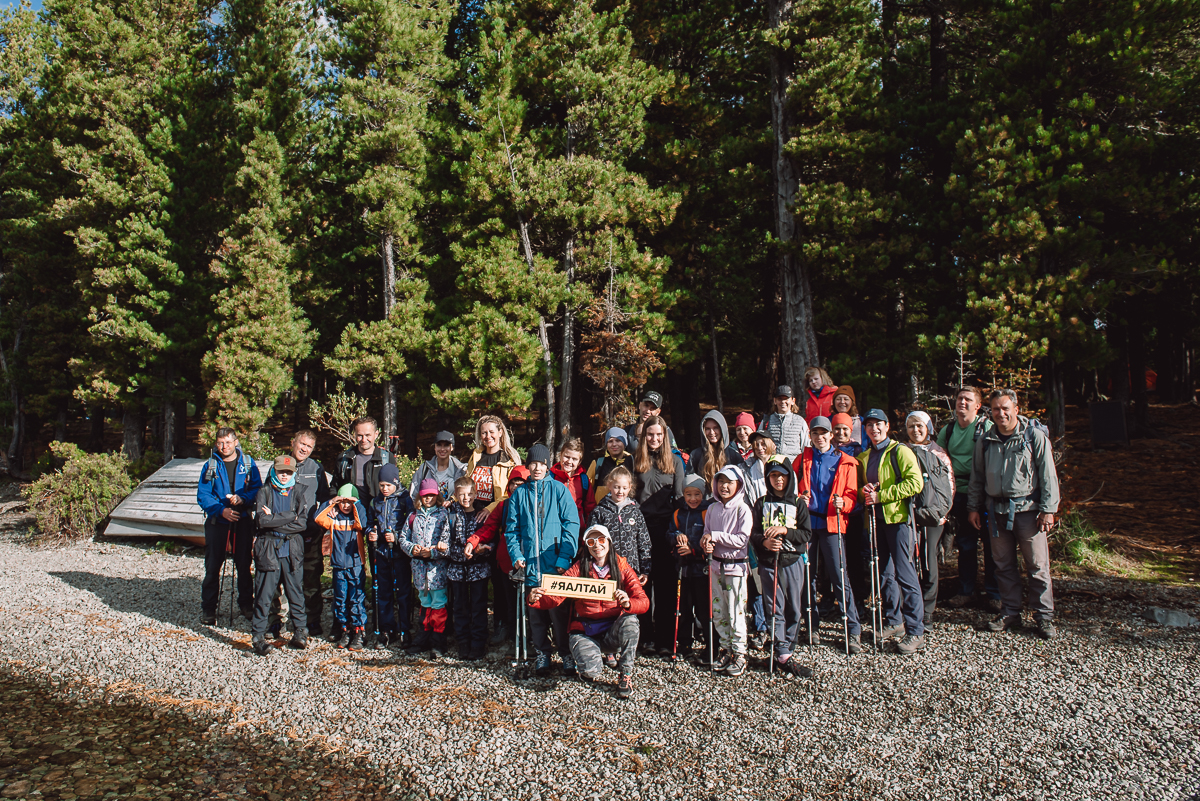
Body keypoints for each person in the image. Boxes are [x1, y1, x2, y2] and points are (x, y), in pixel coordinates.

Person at [968, 389, 1060, 640]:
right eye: (995, 409)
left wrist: (1048, 510)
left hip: (1029, 512)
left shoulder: (1034, 437)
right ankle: (1010, 612)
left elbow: (1048, 475)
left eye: (1005, 408)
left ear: (1016, 409)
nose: (1000, 413)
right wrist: (974, 508)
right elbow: (977, 478)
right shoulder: (985, 441)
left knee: (1038, 566)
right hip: (995, 511)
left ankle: (1044, 617)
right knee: (1003, 566)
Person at [529, 523, 649, 699]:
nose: (597, 545)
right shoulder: (578, 568)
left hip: (612, 630)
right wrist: (535, 599)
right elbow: (555, 597)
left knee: (631, 622)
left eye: (601, 540)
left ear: (608, 542)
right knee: (591, 672)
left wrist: (628, 603)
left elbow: (643, 601)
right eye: (591, 542)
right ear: (586, 546)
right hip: (585, 630)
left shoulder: (622, 566)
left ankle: (626, 674)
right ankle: (589, 659)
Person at [505, 444, 581, 675]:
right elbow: (511, 530)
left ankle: (566, 654)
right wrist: (516, 555)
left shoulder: (559, 490)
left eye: (541, 463)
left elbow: (572, 524)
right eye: (533, 464)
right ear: (527, 466)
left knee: (559, 614)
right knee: (536, 614)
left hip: (555, 566)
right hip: (530, 566)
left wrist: (564, 557)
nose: (537, 468)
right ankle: (543, 654)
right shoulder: (519, 494)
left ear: (548, 464)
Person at [858, 409, 926, 655]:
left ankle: (915, 630)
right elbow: (861, 491)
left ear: (887, 426)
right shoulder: (865, 457)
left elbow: (915, 483)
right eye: (869, 425)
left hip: (897, 521)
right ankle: (894, 621)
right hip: (876, 522)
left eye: (878, 424)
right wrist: (865, 492)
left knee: (905, 575)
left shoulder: (900, 451)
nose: (874, 429)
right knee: (884, 573)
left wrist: (881, 496)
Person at [795, 417, 863, 654]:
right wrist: (797, 498)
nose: (820, 437)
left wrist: (844, 503)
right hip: (807, 525)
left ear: (831, 435)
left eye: (824, 433)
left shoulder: (846, 462)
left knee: (838, 575)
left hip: (833, 524)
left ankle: (852, 629)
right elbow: (787, 485)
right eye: (815, 433)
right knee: (807, 575)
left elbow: (853, 497)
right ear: (810, 435)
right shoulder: (803, 458)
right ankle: (811, 625)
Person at [937, 386, 999, 611]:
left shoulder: (987, 428)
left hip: (985, 495)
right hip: (958, 494)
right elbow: (939, 462)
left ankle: (995, 593)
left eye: (968, 400)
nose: (962, 403)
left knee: (992, 545)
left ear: (978, 406)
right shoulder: (949, 430)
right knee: (965, 545)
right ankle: (966, 591)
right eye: (960, 399)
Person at [751, 458, 813, 676]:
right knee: (773, 606)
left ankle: (789, 645)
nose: (778, 480)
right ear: (768, 478)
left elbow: (806, 534)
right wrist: (764, 542)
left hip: (792, 560)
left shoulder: (798, 503)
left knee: (793, 606)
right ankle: (782, 650)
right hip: (769, 563)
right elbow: (754, 533)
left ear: (789, 477)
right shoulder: (760, 503)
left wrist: (786, 531)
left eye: (782, 475)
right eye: (774, 476)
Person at [464, 415, 521, 644]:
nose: (488, 437)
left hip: (496, 520)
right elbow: (467, 482)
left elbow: (512, 492)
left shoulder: (510, 459)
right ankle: (473, 624)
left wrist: (490, 509)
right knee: (475, 573)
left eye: (491, 432)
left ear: (500, 433)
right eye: (484, 433)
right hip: (473, 517)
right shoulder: (476, 456)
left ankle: (502, 623)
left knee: (499, 576)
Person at [196, 428, 262, 624]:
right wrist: (220, 510)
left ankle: (246, 604)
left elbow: (257, 489)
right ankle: (208, 609)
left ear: (235, 442)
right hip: (218, 522)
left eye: (227, 442)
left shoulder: (248, 463)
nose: (224, 446)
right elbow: (203, 495)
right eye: (220, 443)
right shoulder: (211, 465)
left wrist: (243, 499)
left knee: (243, 565)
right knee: (213, 566)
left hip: (242, 521)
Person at [631, 416, 685, 655]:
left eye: (658, 435)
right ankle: (646, 637)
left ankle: (665, 638)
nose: (654, 439)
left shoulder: (675, 461)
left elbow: (681, 498)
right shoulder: (636, 460)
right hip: (641, 529)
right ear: (644, 437)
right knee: (643, 584)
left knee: (665, 585)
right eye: (650, 435)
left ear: (665, 437)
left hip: (665, 529)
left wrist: (680, 532)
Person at [250, 455, 313, 656]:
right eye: (280, 472)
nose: (284, 476)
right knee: (264, 593)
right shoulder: (264, 491)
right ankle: (258, 636)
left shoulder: (299, 492)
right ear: (273, 471)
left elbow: (301, 524)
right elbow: (261, 522)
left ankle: (300, 631)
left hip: (291, 549)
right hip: (268, 548)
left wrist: (274, 519)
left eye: (288, 472)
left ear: (294, 472)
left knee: (295, 592)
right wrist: (289, 516)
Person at [700, 466, 753, 677]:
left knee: (736, 611)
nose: (724, 486)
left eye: (729, 482)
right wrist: (707, 544)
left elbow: (742, 539)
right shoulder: (712, 509)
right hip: (716, 566)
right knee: (719, 610)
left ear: (738, 485)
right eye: (721, 482)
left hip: (736, 568)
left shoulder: (743, 509)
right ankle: (725, 648)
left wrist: (717, 536)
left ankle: (740, 653)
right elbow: (706, 534)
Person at [906, 410, 955, 626]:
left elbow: (949, 486)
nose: (915, 430)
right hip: (907, 514)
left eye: (920, 426)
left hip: (933, 515)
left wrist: (942, 512)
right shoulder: (901, 451)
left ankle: (927, 609)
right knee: (908, 560)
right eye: (911, 426)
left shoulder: (939, 454)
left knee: (928, 559)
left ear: (928, 428)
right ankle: (909, 606)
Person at [313, 484, 369, 650]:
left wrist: (356, 503)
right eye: (342, 501)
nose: (345, 505)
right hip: (338, 565)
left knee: (356, 598)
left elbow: (363, 522)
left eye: (348, 502)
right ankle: (345, 629)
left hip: (355, 565)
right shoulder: (333, 517)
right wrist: (331, 502)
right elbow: (318, 518)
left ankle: (360, 631)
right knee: (340, 599)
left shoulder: (356, 517)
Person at [400, 479, 451, 655]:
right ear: (419, 497)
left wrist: (434, 553)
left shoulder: (443, 515)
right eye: (424, 495)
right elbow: (403, 539)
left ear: (436, 495)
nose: (428, 498)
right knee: (424, 603)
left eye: (431, 495)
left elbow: (448, 545)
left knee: (438, 604)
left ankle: (438, 641)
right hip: (420, 571)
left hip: (437, 571)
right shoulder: (413, 516)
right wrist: (413, 549)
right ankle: (423, 637)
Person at [366, 462, 414, 648]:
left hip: (400, 553)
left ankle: (405, 628)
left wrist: (396, 535)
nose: (385, 489)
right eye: (382, 486)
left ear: (396, 482)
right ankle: (386, 629)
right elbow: (370, 522)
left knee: (403, 592)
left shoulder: (404, 500)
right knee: (383, 592)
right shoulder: (375, 501)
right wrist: (371, 532)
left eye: (388, 485)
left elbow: (410, 524)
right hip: (381, 552)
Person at [289, 430, 331, 635]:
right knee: (284, 575)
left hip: (309, 532)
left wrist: (321, 526)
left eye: (309, 446)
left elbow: (324, 498)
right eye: (302, 444)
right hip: (285, 532)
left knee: (311, 576)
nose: (304, 449)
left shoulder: (316, 468)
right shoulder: (280, 465)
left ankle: (312, 619)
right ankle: (279, 618)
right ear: (293, 443)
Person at [446, 476, 491, 660]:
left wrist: (482, 550)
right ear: (456, 495)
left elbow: (491, 540)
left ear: (476, 493)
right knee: (460, 607)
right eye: (462, 494)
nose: (466, 498)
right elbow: (445, 542)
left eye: (470, 494)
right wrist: (461, 553)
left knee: (479, 607)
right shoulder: (450, 514)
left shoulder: (482, 514)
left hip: (479, 570)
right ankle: (463, 641)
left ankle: (479, 642)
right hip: (457, 570)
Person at [669, 474, 713, 662]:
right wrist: (676, 536)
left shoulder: (707, 512)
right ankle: (684, 644)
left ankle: (711, 647)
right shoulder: (678, 513)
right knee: (683, 609)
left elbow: (711, 538)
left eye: (697, 494)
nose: (693, 498)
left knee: (704, 609)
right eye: (688, 494)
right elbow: (669, 533)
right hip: (683, 569)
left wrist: (693, 549)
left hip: (702, 568)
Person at [586, 466, 651, 592]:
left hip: (631, 569)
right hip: (606, 570)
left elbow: (644, 542)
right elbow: (591, 542)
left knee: (629, 603)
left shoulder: (635, 512)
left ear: (630, 488)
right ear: (609, 485)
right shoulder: (599, 512)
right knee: (609, 605)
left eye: (624, 488)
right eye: (616, 487)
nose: (620, 491)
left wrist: (645, 570)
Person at [334, 417, 391, 506]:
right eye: (360, 435)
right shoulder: (345, 459)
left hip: (378, 514)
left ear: (376, 434)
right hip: (351, 514)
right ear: (354, 435)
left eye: (368, 435)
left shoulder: (386, 458)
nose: (364, 440)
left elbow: (395, 488)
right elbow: (335, 486)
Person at [408, 430, 467, 504]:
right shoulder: (424, 469)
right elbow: (413, 494)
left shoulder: (461, 470)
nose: (442, 449)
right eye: (439, 445)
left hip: (453, 513)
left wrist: (452, 502)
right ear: (434, 447)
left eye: (446, 445)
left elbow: (466, 495)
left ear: (452, 448)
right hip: (429, 514)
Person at [689, 410, 744, 487]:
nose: (711, 432)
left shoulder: (734, 456)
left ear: (722, 429)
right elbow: (689, 483)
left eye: (715, 428)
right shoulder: (696, 455)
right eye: (707, 429)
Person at [758, 385, 811, 461]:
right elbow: (758, 444)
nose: (783, 402)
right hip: (772, 466)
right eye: (780, 399)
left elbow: (806, 446)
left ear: (793, 401)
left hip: (794, 466)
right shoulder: (766, 421)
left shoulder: (800, 421)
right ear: (775, 401)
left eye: (786, 399)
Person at [552, 437, 596, 525]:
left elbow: (590, 507)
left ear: (579, 462)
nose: (569, 461)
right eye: (566, 457)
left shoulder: (583, 480)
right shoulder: (551, 477)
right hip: (554, 529)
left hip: (577, 530)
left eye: (574, 459)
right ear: (560, 455)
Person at [586, 427, 632, 504]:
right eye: (610, 441)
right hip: (601, 512)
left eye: (618, 441)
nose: (614, 444)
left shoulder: (632, 462)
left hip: (626, 512)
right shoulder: (598, 463)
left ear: (624, 443)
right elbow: (586, 490)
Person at [739, 430, 777, 506]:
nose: (759, 448)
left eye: (763, 444)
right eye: (756, 444)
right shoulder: (745, 469)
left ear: (773, 445)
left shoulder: (782, 467)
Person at [831, 386, 868, 453]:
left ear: (852, 402)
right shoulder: (828, 421)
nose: (842, 402)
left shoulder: (862, 422)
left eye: (846, 399)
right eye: (838, 399)